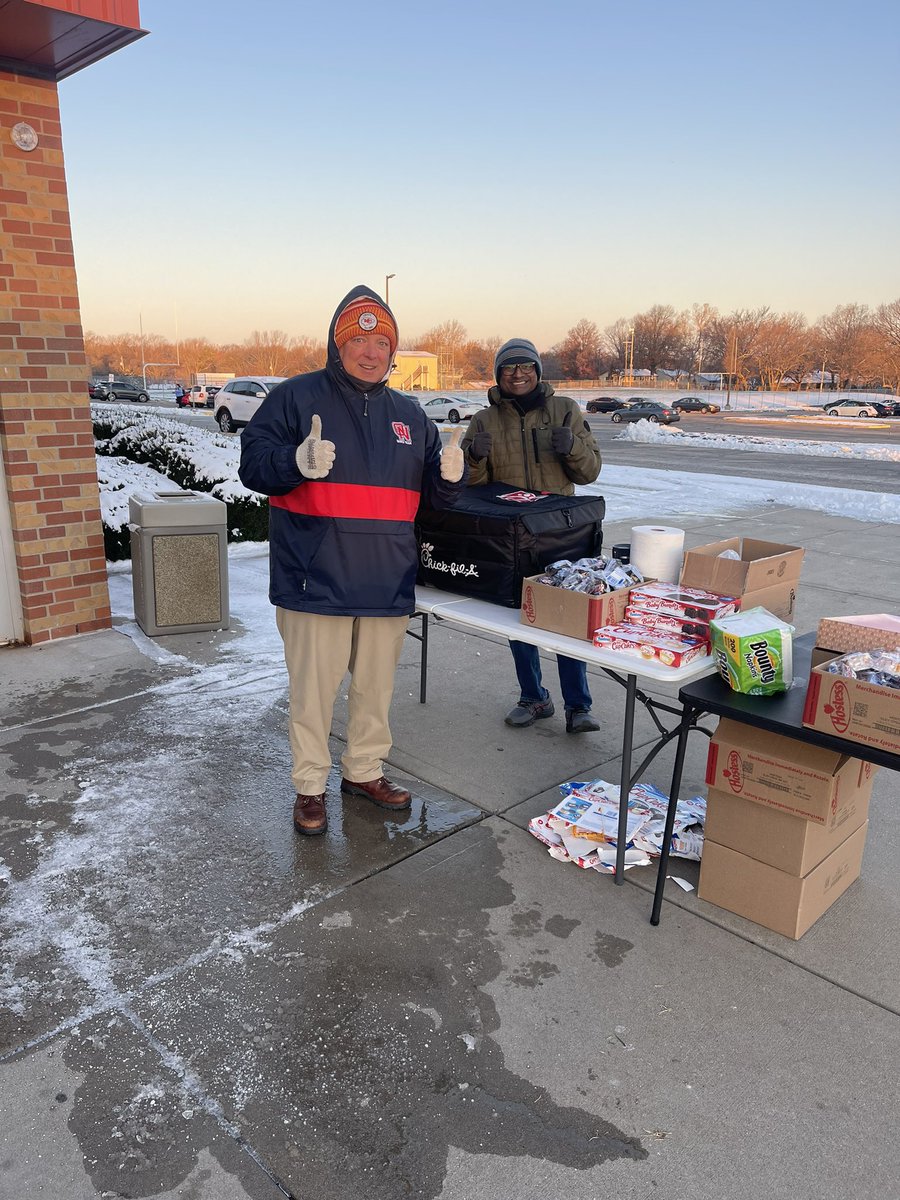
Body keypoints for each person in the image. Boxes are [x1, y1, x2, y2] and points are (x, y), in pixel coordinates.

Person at [239, 285, 466, 836]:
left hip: (386, 581)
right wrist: (295, 460)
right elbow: (253, 466)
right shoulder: (295, 398)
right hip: (316, 580)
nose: (370, 352)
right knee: (313, 695)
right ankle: (310, 787)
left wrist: (452, 478)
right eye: (358, 340)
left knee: (375, 691)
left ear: (394, 353)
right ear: (336, 345)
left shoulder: (412, 416)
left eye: (381, 342)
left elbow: (433, 504)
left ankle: (363, 770)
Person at [461, 338, 603, 733]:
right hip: (512, 536)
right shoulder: (484, 420)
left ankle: (579, 706)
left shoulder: (565, 411)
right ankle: (534, 698)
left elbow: (589, 472)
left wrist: (572, 446)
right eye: (509, 368)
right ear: (499, 375)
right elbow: (470, 487)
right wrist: (473, 457)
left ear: (538, 372)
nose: (518, 374)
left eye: (526, 367)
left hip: (561, 533)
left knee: (568, 618)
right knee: (519, 618)